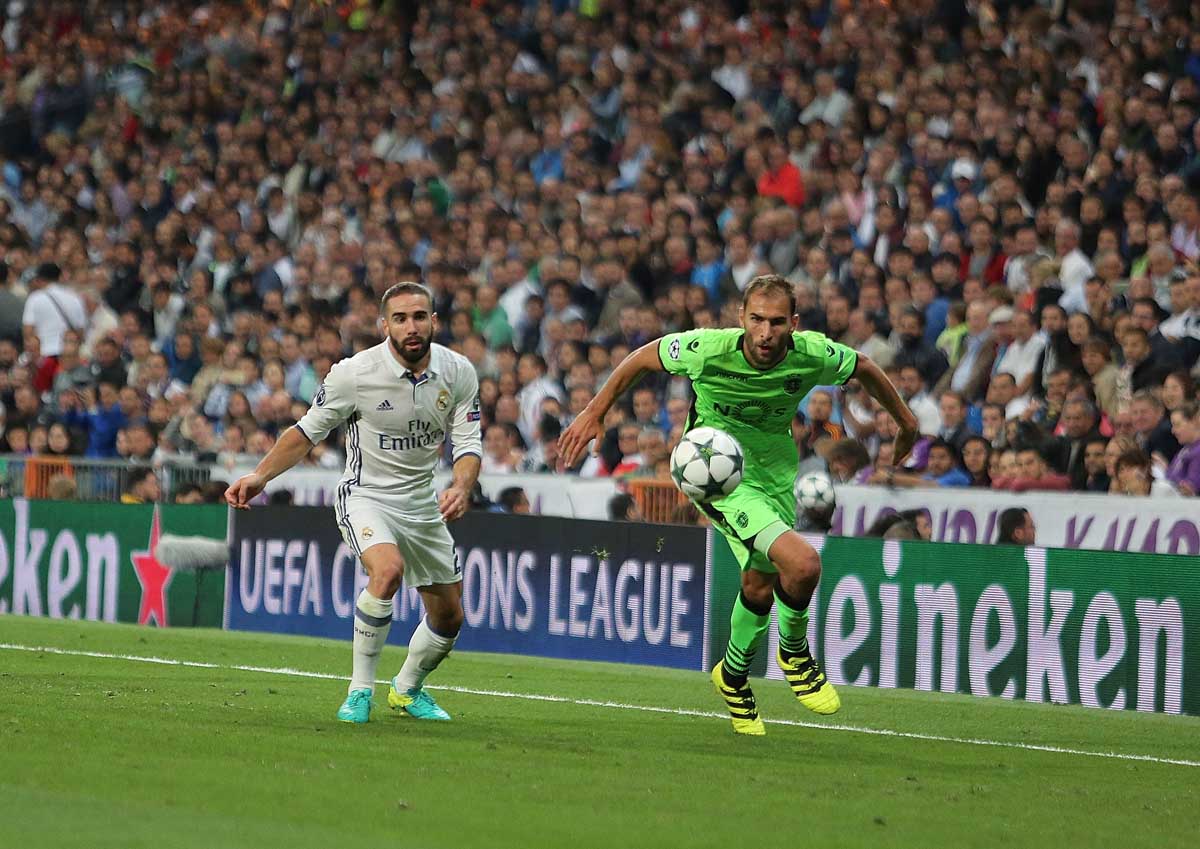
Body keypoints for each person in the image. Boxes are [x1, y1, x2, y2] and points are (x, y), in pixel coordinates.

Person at [560, 274, 918, 736]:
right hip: (716, 474)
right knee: (804, 564)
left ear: (793, 323)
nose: (765, 333)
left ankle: (731, 674)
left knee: (760, 582)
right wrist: (596, 410)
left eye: (775, 322)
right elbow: (641, 358)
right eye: (756, 320)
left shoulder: (811, 354)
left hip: (774, 473)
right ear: (741, 318)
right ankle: (793, 652)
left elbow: (865, 365)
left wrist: (905, 422)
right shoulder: (707, 348)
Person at [225, 283, 483, 724]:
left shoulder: (458, 372)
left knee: (450, 617)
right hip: (367, 495)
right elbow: (307, 432)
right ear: (384, 325)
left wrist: (461, 486)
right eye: (400, 318)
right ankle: (359, 690)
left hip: (422, 504)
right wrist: (260, 474)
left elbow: (467, 442)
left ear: (434, 321)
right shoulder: (355, 373)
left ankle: (406, 690)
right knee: (387, 572)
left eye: (420, 316)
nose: (412, 326)